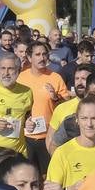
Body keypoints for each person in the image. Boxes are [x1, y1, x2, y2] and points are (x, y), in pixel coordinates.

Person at [17, 40, 70, 174]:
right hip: (26, 137)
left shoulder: (55, 77)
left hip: (49, 137)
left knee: (48, 178)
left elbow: (67, 107)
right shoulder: (21, 78)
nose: (42, 58)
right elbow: (16, 105)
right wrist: (24, 123)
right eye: (38, 54)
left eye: (44, 54)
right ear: (29, 58)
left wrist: (55, 97)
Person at [0, 53, 33, 161]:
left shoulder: (27, 92)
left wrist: (28, 123)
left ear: (18, 71)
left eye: (10, 69)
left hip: (18, 153)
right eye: (3, 68)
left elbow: (27, 115)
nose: (6, 73)